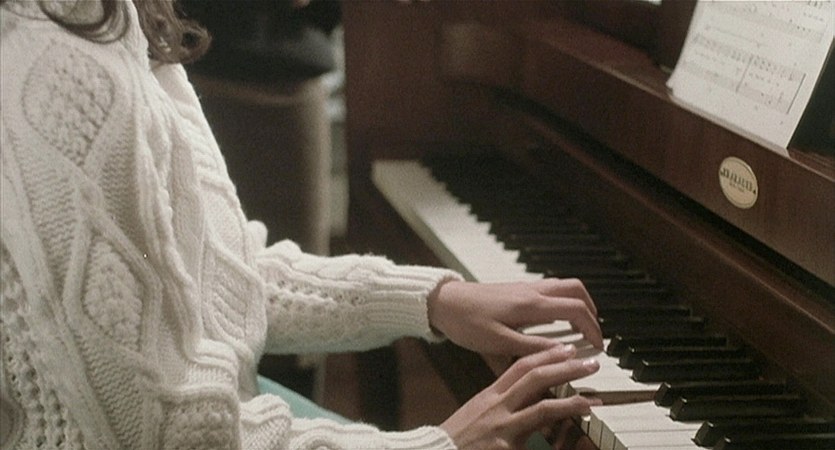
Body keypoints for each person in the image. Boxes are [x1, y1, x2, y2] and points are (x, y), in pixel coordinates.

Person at [0, 1, 603, 449]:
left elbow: (217, 278)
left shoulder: (108, 20)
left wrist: (432, 300)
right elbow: (160, 435)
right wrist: (438, 445)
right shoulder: (54, 61)